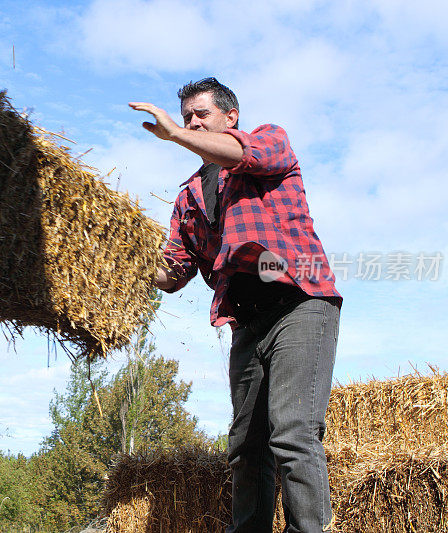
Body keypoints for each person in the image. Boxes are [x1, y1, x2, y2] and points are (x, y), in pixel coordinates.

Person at [130, 78, 342, 533]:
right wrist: (121, 262)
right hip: (246, 320)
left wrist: (176, 135)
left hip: (300, 303)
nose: (191, 122)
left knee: (292, 433)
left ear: (231, 118)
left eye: (200, 115)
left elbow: (245, 154)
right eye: (186, 116)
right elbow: (173, 273)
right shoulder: (188, 196)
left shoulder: (269, 141)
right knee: (246, 445)